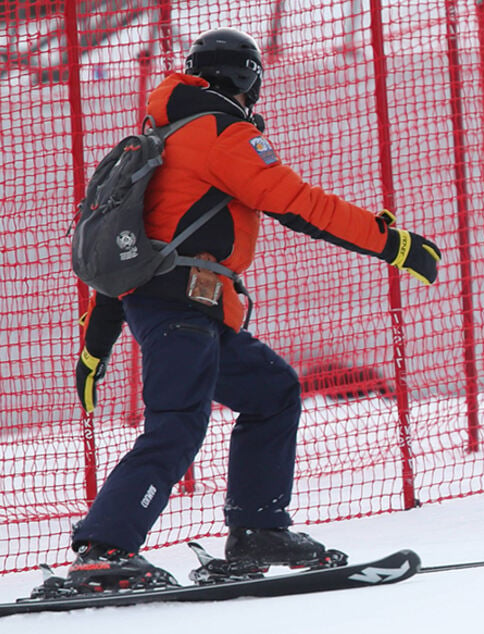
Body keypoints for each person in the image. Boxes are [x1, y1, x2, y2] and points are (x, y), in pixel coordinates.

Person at [69, 27, 441, 592]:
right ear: (248, 79)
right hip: (181, 307)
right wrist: (394, 244)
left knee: (272, 391)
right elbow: (298, 204)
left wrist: (96, 346)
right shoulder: (220, 131)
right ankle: (105, 549)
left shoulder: (165, 133)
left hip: (186, 308)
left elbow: (129, 252)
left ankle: (258, 527)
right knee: (178, 421)